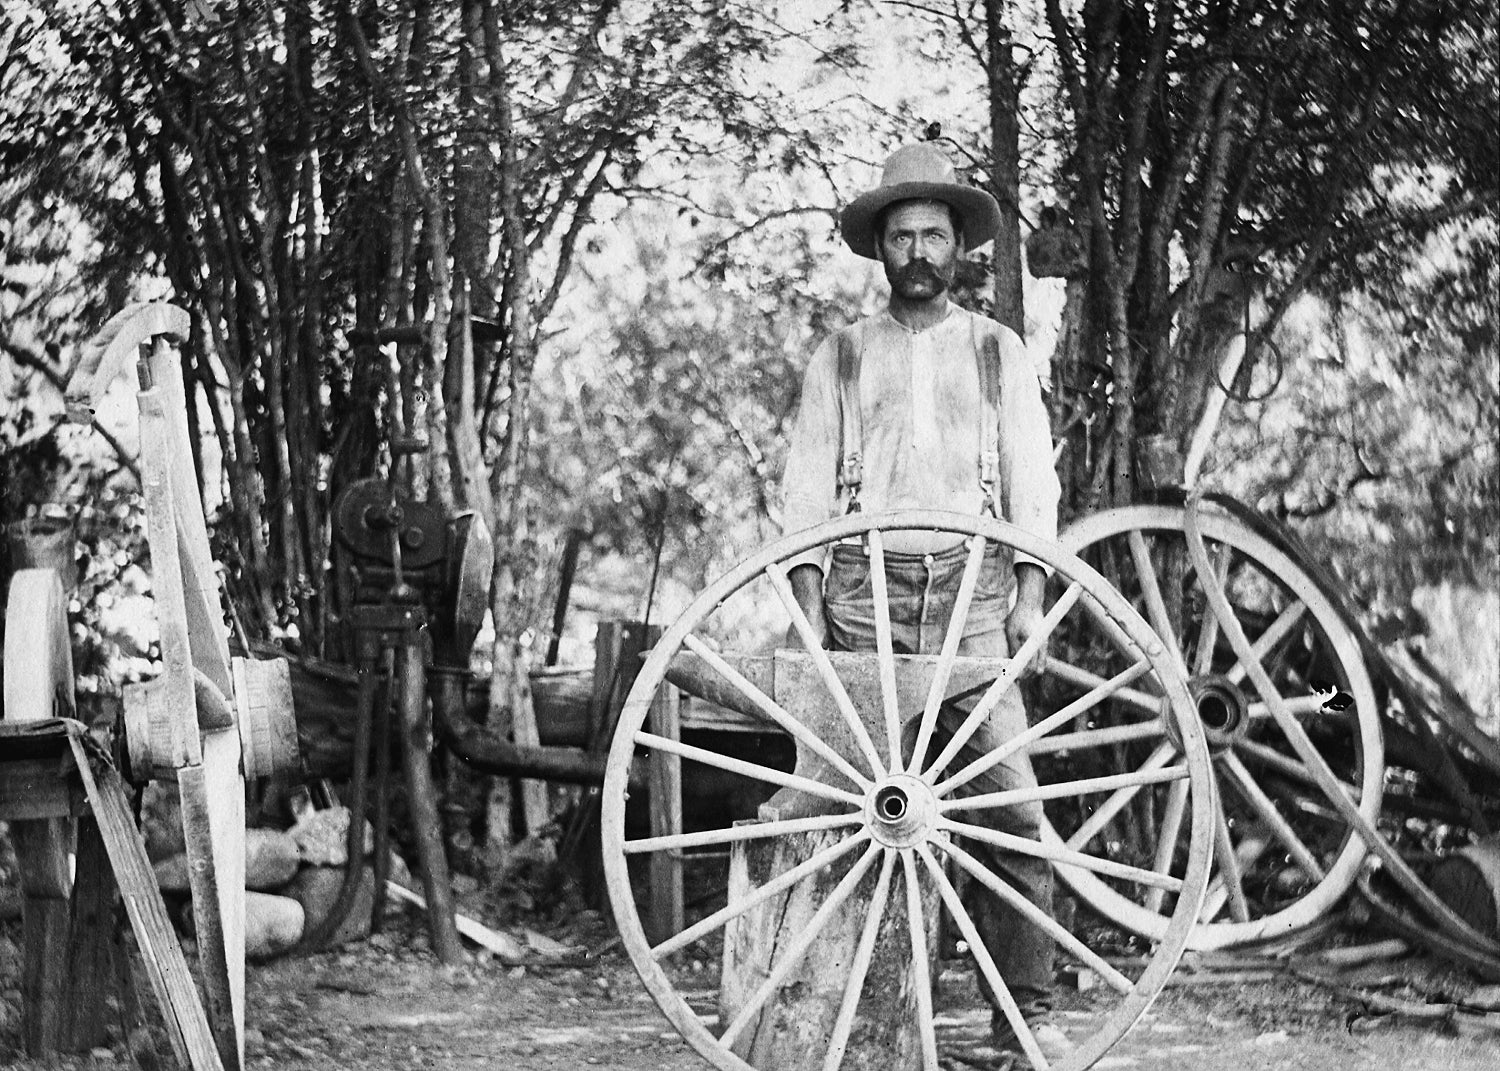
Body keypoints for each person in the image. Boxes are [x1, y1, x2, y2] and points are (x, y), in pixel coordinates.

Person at [780, 142, 1063, 1061]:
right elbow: (807, 486)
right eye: (901, 237)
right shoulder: (843, 355)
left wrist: (1028, 591)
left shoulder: (996, 351)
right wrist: (811, 598)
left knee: (1011, 807)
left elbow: (1033, 480)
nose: (917, 252)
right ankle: (849, 1015)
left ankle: (1023, 1020)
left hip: (972, 596)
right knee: (844, 815)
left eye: (933, 235)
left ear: (958, 248)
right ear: (881, 249)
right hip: (863, 597)